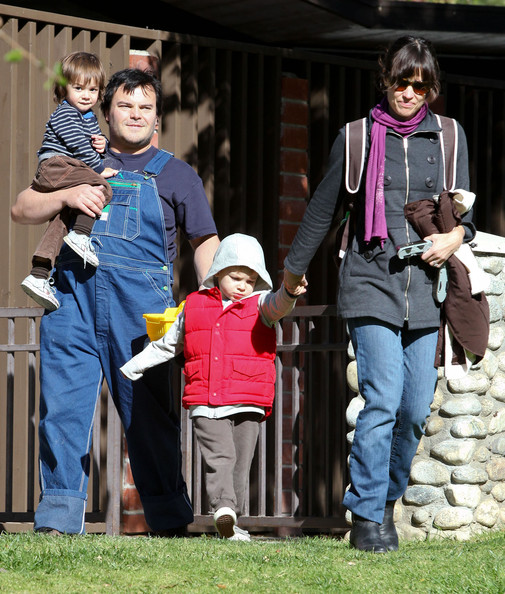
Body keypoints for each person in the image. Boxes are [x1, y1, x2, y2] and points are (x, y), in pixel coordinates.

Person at [283, 36, 476, 553]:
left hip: (426, 288)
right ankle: (367, 515)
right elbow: (322, 208)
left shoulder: (450, 137)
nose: (409, 92)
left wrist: (454, 237)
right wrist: (290, 276)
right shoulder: (356, 138)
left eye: (420, 84)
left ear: (431, 87)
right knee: (383, 396)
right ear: (384, 77)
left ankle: (385, 500)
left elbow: (467, 216)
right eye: (400, 81)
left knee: (415, 407)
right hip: (370, 278)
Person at [11, 67, 220, 535]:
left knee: (151, 419)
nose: (135, 114)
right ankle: (59, 522)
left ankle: (168, 520)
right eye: (125, 105)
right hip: (71, 303)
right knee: (62, 412)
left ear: (157, 119)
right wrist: (70, 192)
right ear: (106, 112)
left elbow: (205, 242)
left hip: (142, 317)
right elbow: (21, 208)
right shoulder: (74, 161)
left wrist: (213, 302)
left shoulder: (176, 174)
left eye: (145, 107)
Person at [120, 233, 305, 541]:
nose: (243, 285)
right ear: (218, 272)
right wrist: (134, 365)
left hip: (248, 399)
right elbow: (167, 345)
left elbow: (280, 305)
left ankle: (231, 521)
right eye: (236, 277)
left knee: (240, 462)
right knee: (221, 455)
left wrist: (289, 291)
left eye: (250, 279)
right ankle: (222, 508)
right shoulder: (193, 305)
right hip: (206, 400)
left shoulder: (261, 306)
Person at [21, 51, 118, 311]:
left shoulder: (89, 118)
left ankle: (39, 274)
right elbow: (76, 143)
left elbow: (90, 143)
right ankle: (81, 235)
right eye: (78, 88)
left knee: (62, 218)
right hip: (55, 167)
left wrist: (103, 143)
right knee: (100, 188)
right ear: (64, 89)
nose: (86, 95)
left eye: (93, 89)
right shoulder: (66, 113)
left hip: (66, 169)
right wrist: (99, 168)